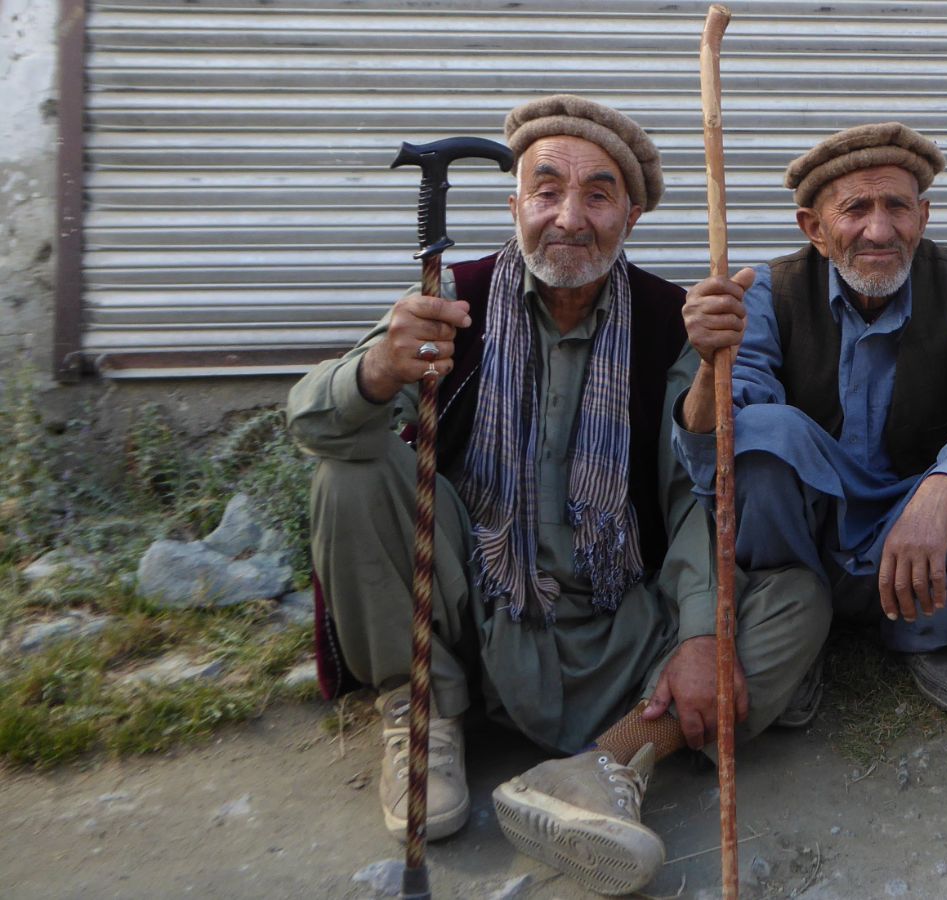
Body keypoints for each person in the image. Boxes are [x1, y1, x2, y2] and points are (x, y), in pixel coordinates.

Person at [287, 94, 830, 894]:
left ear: (631, 217)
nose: (569, 218)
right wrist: (376, 372)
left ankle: (602, 766)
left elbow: (692, 493)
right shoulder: (452, 299)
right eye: (547, 191)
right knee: (354, 465)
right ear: (516, 205)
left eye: (598, 194)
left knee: (799, 603)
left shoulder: (668, 320)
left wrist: (696, 636)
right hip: (477, 612)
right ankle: (424, 710)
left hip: (622, 625)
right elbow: (314, 420)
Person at [674, 123, 947, 713]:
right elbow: (713, 447)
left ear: (922, 217)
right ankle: (798, 630)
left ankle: (925, 630)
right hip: (815, 525)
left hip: (919, 519)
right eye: (855, 210)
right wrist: (709, 365)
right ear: (814, 228)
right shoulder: (770, 290)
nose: (879, 230)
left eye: (897, 207)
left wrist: (945, 489)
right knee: (763, 438)